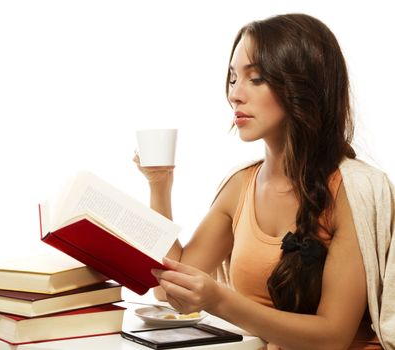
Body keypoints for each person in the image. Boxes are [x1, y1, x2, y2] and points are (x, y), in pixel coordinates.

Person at [133, 13, 394, 350]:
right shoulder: (240, 185)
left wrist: (220, 300)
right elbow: (169, 287)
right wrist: (159, 184)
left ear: (302, 85)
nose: (235, 95)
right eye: (231, 78)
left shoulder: (354, 190)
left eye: (255, 79)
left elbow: (333, 336)